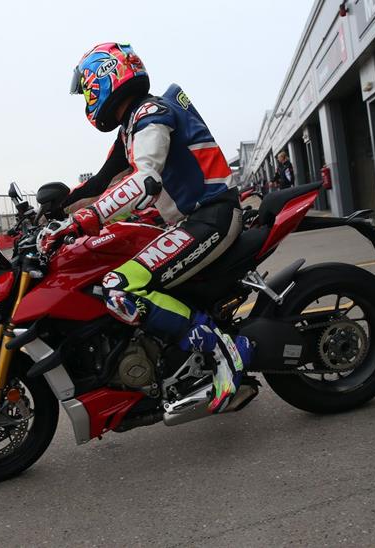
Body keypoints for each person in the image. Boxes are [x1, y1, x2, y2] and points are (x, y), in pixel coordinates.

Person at [40, 42, 251, 413]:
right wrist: (54, 211)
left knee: (119, 286)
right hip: (189, 221)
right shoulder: (132, 124)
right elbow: (99, 182)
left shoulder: (152, 114)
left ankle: (222, 351)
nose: (87, 98)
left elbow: (144, 180)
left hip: (211, 217)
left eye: (87, 89)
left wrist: (84, 219)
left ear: (105, 78)